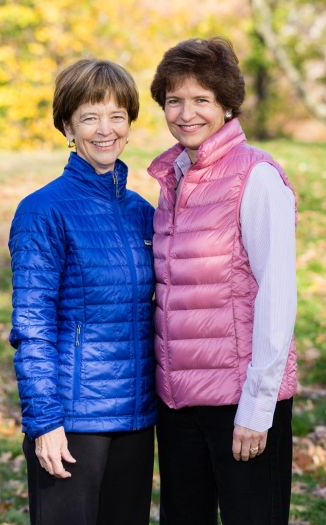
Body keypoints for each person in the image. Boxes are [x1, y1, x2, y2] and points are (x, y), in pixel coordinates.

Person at [148, 36, 297, 525]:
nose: (186, 113)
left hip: (240, 399)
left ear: (228, 105)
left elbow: (277, 297)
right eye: (174, 100)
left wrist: (258, 407)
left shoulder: (256, 177)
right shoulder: (174, 178)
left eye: (201, 100)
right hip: (178, 402)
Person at [9, 58, 157, 525]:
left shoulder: (142, 212)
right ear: (68, 126)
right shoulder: (42, 211)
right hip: (72, 423)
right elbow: (31, 327)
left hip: (136, 420)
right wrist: (45, 423)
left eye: (117, 116)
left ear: (130, 124)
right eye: (90, 117)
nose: (105, 130)